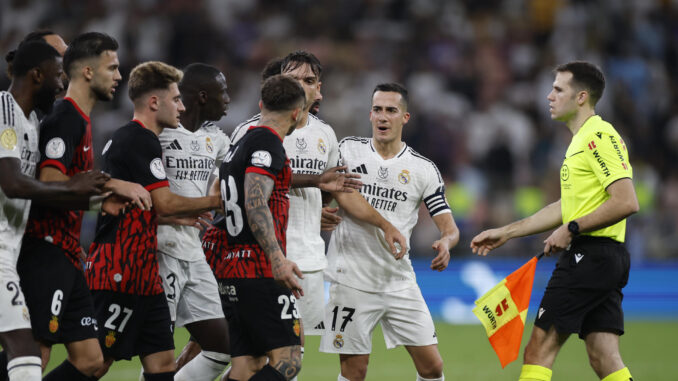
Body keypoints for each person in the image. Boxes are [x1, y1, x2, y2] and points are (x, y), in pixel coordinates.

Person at [471, 61, 638, 381]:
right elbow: (568, 207)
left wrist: (572, 228)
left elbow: (627, 201)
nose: (549, 96)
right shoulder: (580, 141)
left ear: (581, 97)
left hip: (589, 255)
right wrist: (508, 232)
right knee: (604, 357)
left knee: (538, 351)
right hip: (603, 257)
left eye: (558, 89)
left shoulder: (597, 136)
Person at [16, 32, 151, 381]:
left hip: (68, 254)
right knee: (37, 353)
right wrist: (103, 195)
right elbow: (50, 182)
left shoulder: (82, 120)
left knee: (90, 359)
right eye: (113, 67)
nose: (119, 76)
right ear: (88, 72)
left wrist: (102, 195)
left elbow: (74, 183)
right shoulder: (66, 118)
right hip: (46, 251)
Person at [319, 83, 460, 381]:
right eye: (378, 110)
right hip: (350, 281)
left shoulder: (423, 169)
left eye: (391, 111)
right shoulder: (348, 150)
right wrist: (316, 212)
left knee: (432, 368)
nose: (383, 117)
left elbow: (449, 228)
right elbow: (333, 196)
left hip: (399, 281)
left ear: (405, 118)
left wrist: (446, 243)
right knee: (354, 371)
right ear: (370, 114)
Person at [0, 41, 109, 381]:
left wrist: (89, 200)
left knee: (39, 354)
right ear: (37, 75)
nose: (62, 84)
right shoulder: (5, 113)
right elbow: (13, 183)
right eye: (57, 76)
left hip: (13, 252)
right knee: (29, 354)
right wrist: (70, 187)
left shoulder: (30, 124)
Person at [231, 51, 338, 345]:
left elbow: (327, 190)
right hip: (261, 258)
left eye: (310, 80)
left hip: (310, 258)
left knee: (291, 352)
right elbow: (238, 190)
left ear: (319, 90)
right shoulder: (251, 130)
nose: (302, 86)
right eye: (294, 79)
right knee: (268, 353)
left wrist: (315, 211)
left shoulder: (326, 135)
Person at [151, 63, 232, 381]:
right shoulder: (158, 133)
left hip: (193, 253)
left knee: (223, 346)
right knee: (145, 353)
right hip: (157, 252)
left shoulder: (216, 139)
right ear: (202, 96)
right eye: (222, 91)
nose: (227, 99)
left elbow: (244, 173)